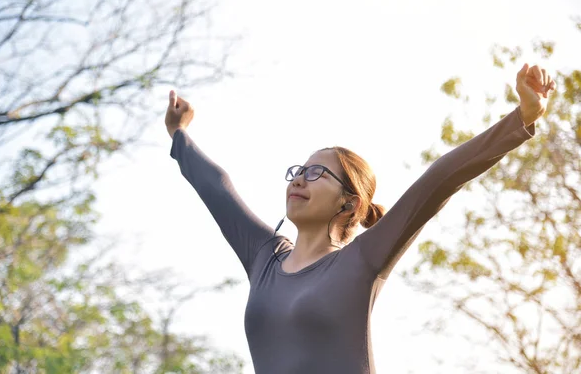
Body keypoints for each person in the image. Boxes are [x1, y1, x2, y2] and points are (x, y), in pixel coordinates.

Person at [165, 64, 556, 374]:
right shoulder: (263, 257)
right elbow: (216, 187)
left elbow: (439, 180)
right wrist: (179, 133)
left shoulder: (361, 260)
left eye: (317, 173)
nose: (299, 177)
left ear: (349, 204)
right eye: (299, 170)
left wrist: (521, 118)